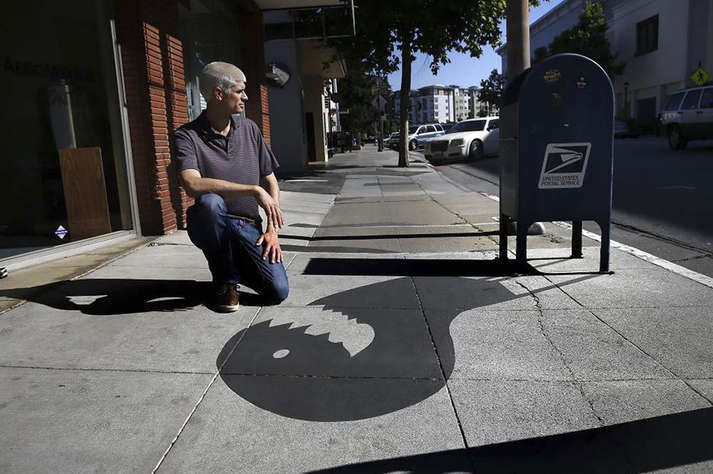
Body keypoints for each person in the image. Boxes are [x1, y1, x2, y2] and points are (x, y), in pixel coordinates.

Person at [172, 61, 288, 312]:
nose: (245, 97)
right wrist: (253, 190)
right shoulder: (187, 135)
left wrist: (272, 230)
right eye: (239, 91)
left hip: (248, 225)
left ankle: (235, 266)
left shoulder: (250, 129)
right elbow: (192, 183)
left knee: (278, 290)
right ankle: (226, 282)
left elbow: (270, 180)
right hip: (211, 222)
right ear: (218, 93)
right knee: (210, 203)